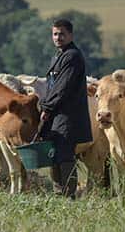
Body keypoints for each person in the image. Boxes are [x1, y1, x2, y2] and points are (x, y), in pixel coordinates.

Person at [39, 18, 93, 199]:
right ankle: (58, 195)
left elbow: (62, 87)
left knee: (65, 155)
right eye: (55, 34)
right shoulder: (58, 56)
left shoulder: (72, 56)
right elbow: (52, 86)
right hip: (57, 114)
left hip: (68, 115)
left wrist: (46, 107)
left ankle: (69, 196)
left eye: (62, 34)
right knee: (54, 155)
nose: (58, 37)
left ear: (71, 35)